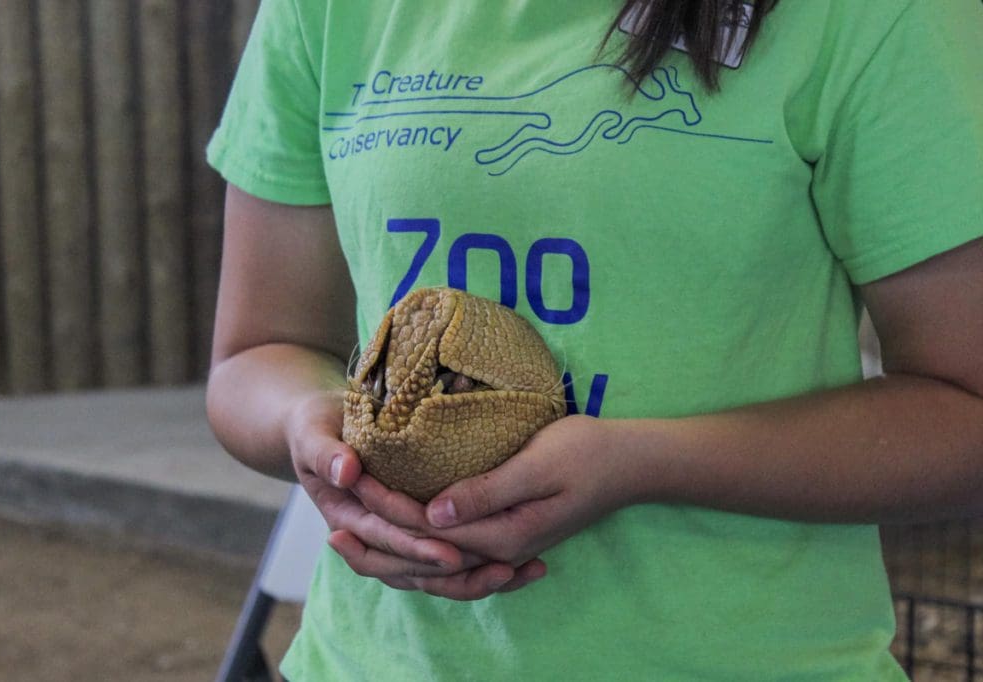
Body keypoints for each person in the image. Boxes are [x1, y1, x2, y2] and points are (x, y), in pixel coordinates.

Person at [205, 0, 983, 678]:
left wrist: (643, 463)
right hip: (376, 663)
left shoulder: (878, 14)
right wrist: (310, 425)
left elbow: (965, 407)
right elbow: (255, 353)